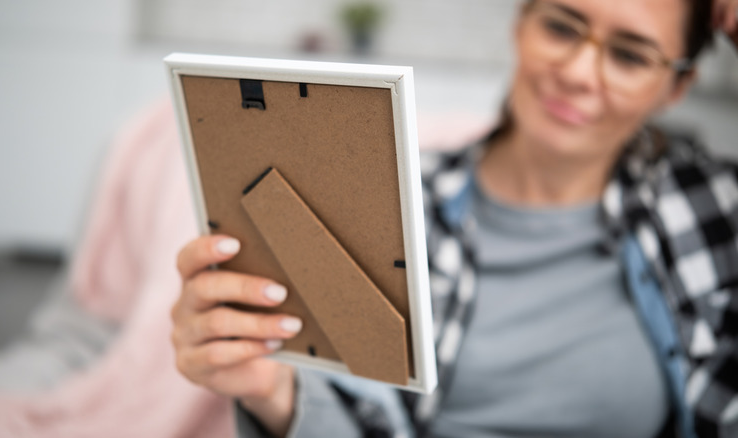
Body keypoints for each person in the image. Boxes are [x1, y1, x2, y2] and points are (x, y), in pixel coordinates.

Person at [171, 0, 738, 437]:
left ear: (677, 86)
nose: (579, 72)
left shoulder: (714, 205)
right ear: (522, 24)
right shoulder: (403, 194)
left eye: (630, 55)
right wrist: (272, 388)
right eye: (562, 27)